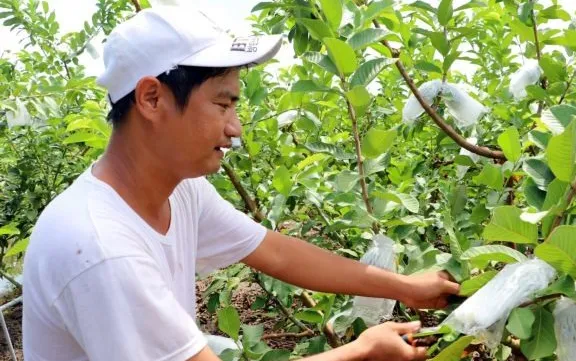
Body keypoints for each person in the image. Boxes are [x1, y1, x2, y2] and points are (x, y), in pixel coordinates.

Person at [21, 6, 460, 361]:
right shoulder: (100, 248)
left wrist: (407, 287)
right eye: (222, 104)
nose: (235, 129)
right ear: (152, 98)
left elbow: (275, 251)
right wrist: (361, 352)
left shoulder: (180, 189)